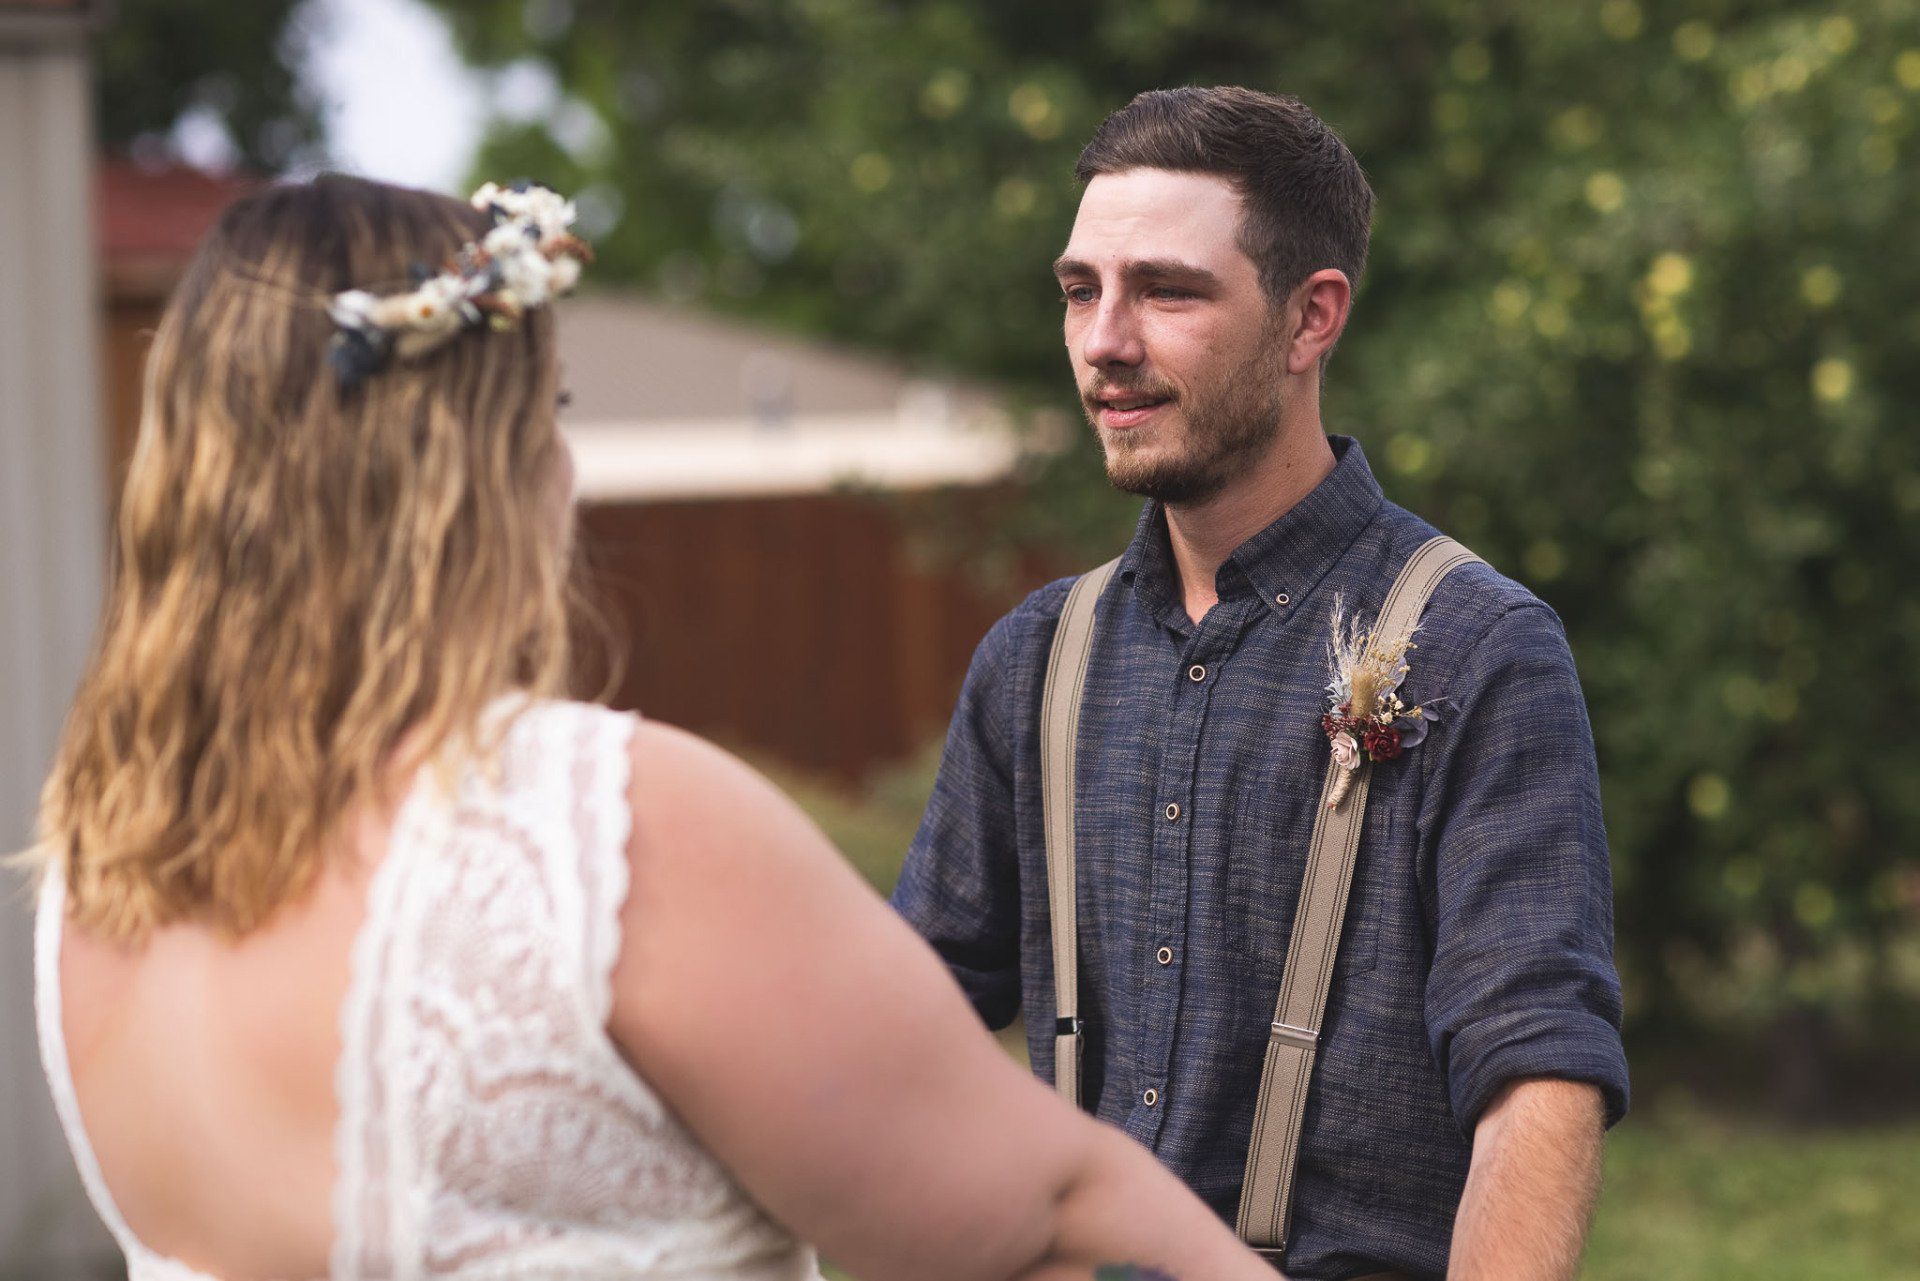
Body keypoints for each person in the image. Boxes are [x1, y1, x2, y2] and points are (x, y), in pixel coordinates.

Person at [27, 174, 1280, 1281]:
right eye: (549, 407)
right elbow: (1046, 1216)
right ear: (475, 460)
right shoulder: (592, 830)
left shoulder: (97, 886)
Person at [892, 87, 1630, 1280]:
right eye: (1082, 290)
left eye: (1166, 291)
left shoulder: (1479, 646)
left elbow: (1537, 1072)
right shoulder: (1035, 658)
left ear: (1309, 319)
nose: (1104, 341)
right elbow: (893, 1030)